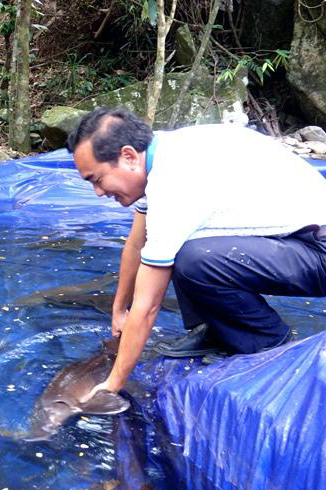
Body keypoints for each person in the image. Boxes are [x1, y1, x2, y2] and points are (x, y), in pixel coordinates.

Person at [66, 107, 326, 397]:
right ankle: (218, 329)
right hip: (291, 238)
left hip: (318, 248)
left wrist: (112, 384)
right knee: (178, 247)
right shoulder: (156, 154)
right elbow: (136, 244)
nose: (98, 193)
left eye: (97, 179)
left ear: (127, 156)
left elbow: (149, 303)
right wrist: (118, 311)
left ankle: (268, 344)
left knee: (191, 258)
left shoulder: (175, 181)